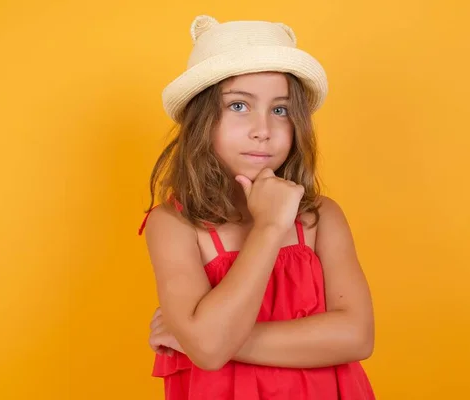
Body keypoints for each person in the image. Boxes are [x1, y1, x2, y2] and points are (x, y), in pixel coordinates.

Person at [139, 15, 376, 400]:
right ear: (201, 121)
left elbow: (357, 336)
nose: (262, 129)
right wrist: (268, 227)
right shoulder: (173, 225)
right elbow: (209, 349)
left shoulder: (321, 217)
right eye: (238, 106)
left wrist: (208, 338)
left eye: (280, 110)